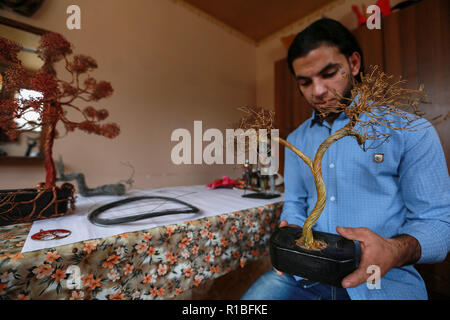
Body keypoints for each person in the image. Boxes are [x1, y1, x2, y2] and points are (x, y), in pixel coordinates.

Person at [241, 18, 449, 300]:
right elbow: (295, 202)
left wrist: (392, 249)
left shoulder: (410, 132)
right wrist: (291, 236)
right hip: (304, 274)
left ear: (353, 63)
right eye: (305, 82)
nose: (318, 91)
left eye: (329, 73)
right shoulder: (297, 141)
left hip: (381, 280)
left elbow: (438, 224)